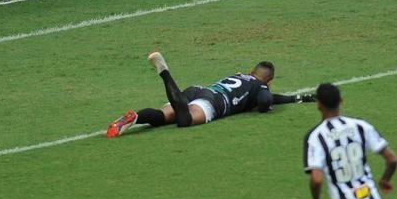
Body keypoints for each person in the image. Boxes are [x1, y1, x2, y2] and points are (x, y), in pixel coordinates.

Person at [105, 51, 314, 137]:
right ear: (269, 81)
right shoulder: (260, 87)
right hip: (214, 102)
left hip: (200, 90)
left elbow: (273, 96)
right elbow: (265, 100)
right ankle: (164, 72)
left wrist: (296, 98)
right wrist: (266, 106)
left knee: (163, 117)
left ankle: (136, 117)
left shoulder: (241, 76)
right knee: (184, 121)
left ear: (251, 72)